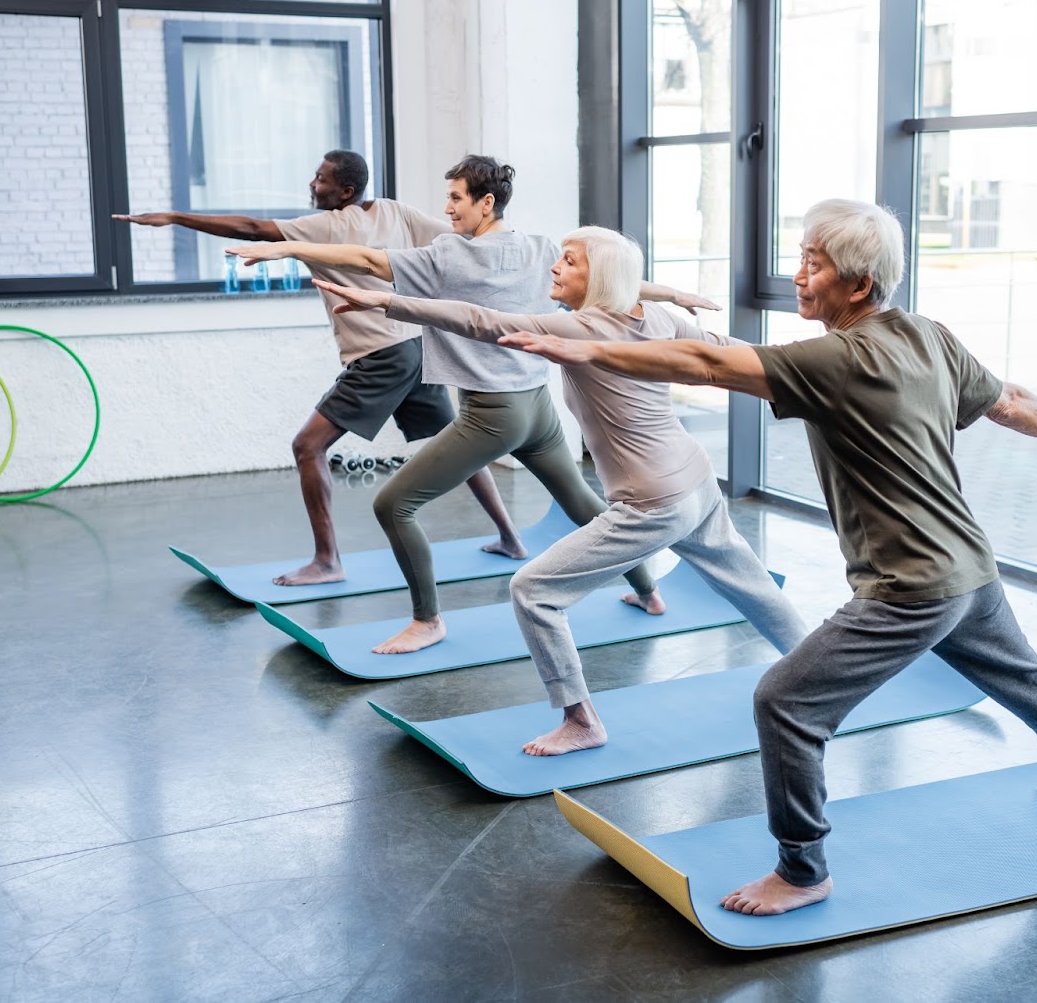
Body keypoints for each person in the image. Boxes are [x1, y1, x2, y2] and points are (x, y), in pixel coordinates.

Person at [499, 198, 1037, 917]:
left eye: (813, 263)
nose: (799, 276)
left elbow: (706, 361)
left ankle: (803, 872)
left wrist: (588, 348)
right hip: (967, 566)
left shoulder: (836, 358)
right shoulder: (927, 335)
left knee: (785, 704)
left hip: (908, 587)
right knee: (1028, 680)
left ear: (858, 286)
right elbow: (1009, 400)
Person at [320, 226, 811, 754]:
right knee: (749, 583)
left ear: (597, 277)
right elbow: (733, 349)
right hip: (695, 479)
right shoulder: (661, 318)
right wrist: (820, 364)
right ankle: (818, 678)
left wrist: (386, 301)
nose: (556, 267)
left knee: (533, 591)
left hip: (650, 501)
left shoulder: (580, 329)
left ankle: (581, 721)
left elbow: (482, 320)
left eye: (570, 261)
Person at [228, 156, 712, 653]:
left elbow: (370, 260)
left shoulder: (448, 256)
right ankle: (649, 592)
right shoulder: (542, 248)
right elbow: (612, 288)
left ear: (486, 202)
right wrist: (674, 294)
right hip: (538, 413)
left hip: (491, 418)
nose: (448, 208)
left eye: (456, 198)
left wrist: (283, 247)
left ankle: (427, 621)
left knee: (393, 505)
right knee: (583, 506)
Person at [114, 150, 526, 586]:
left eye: (321, 179)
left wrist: (176, 217)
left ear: (346, 191)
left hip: (382, 356)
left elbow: (252, 229)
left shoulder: (326, 226)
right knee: (455, 444)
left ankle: (327, 561)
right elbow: (463, 240)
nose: (313, 185)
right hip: (416, 345)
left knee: (307, 447)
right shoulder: (395, 211)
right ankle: (510, 537)